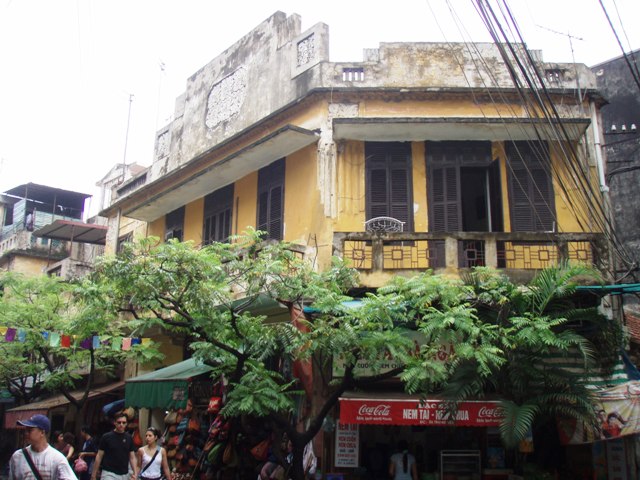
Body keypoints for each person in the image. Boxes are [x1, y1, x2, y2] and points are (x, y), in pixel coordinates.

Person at [8, 413, 77, 480]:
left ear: (42, 432)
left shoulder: (57, 458)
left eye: (30, 430)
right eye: (26, 430)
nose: (26, 433)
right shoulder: (17, 456)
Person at [90, 413, 138, 480]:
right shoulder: (106, 437)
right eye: (119, 422)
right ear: (114, 422)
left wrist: (135, 473)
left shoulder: (129, 438)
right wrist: (93, 474)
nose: (121, 424)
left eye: (124, 422)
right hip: (109, 473)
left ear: (126, 424)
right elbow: (99, 456)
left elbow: (132, 457)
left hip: (124, 474)